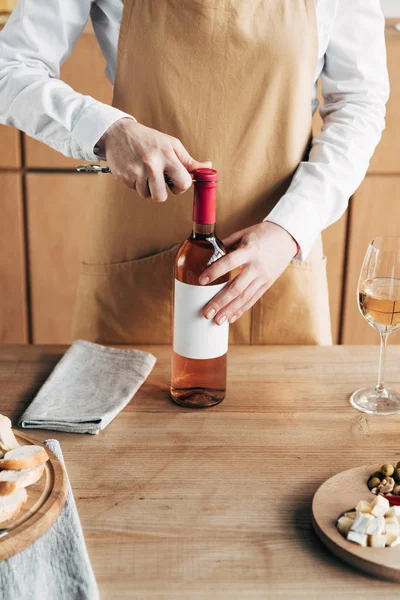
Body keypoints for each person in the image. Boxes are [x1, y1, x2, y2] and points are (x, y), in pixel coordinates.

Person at [0, 0, 389, 345]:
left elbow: (359, 104)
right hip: (137, 256)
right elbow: (10, 67)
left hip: (277, 261)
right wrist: (107, 129)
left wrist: (290, 229)